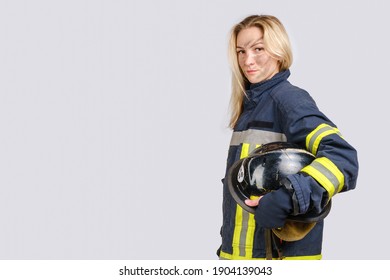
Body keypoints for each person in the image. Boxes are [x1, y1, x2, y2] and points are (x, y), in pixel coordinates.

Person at [217, 14, 359, 260]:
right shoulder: (251, 108)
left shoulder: (288, 100)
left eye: (258, 49)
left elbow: (343, 158)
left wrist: (289, 196)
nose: (247, 60)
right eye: (241, 51)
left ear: (278, 51)